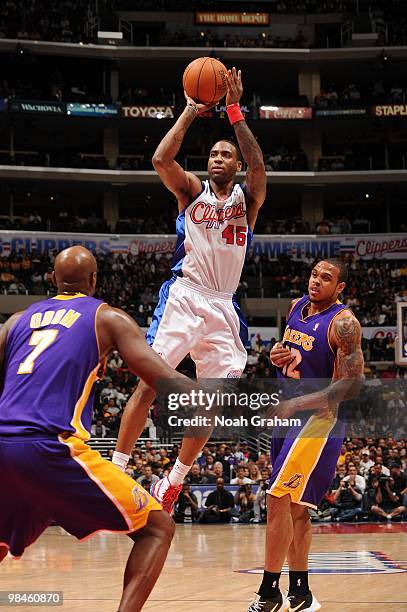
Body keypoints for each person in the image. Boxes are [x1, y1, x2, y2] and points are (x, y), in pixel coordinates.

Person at [0, 246, 201, 612]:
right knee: (157, 527)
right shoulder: (106, 317)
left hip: (3, 445)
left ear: (52, 280)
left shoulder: (15, 322)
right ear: (94, 281)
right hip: (51, 447)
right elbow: (161, 377)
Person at [114, 66, 266, 512]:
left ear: (236, 165)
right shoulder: (192, 193)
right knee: (148, 381)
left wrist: (235, 113)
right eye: (213, 153)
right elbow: (161, 160)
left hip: (223, 307)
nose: (218, 158)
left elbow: (258, 164)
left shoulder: (248, 201)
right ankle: (117, 469)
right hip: (186, 295)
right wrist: (189, 112)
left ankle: (174, 481)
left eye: (226, 154)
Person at [248, 259, 364, 612]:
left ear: (340, 287)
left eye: (326, 278)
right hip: (290, 417)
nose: (317, 281)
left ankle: (269, 593)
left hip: (316, 421)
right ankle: (302, 593)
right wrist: (276, 356)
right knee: (297, 510)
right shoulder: (297, 305)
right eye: (315, 274)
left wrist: (297, 404)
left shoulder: (344, 323)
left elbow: (351, 384)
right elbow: (289, 355)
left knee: (277, 499)